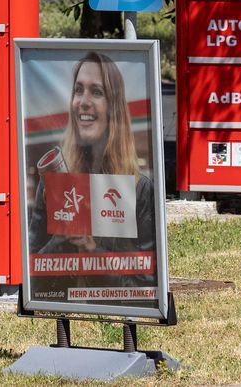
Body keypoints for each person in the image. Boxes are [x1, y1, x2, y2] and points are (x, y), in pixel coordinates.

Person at [28, 52, 155, 293]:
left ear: (113, 107)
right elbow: (32, 281)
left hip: (114, 317)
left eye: (96, 92)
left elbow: (143, 289)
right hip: (63, 308)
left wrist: (91, 251)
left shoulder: (138, 188)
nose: (83, 101)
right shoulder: (55, 184)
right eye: (78, 90)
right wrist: (61, 240)